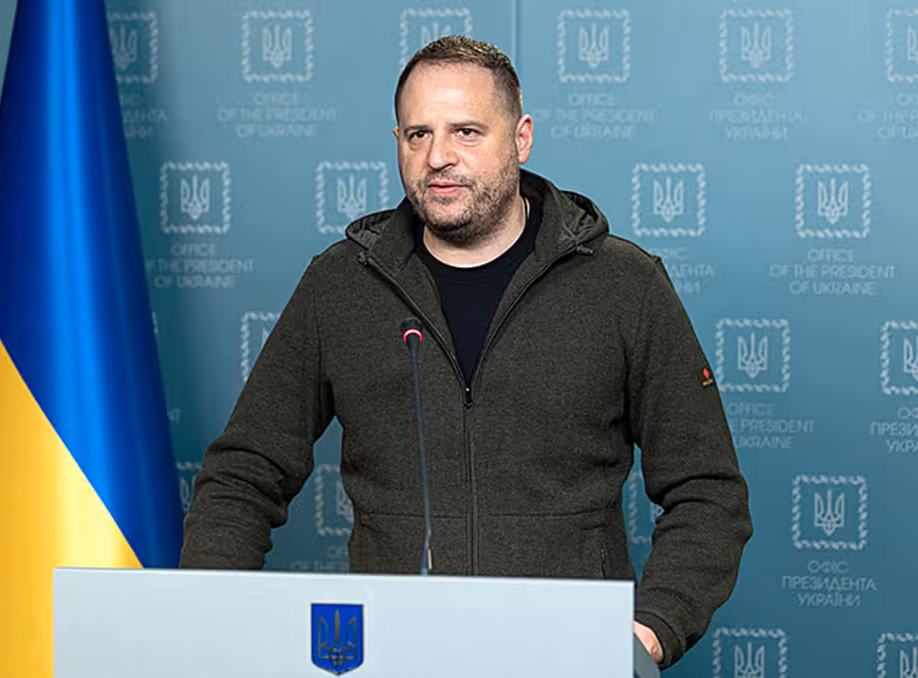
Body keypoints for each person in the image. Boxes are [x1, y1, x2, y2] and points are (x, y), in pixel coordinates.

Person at [180, 35, 752, 668]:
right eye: (418, 135)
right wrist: (208, 622)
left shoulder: (624, 284)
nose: (438, 157)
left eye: (467, 132)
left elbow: (708, 491)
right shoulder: (339, 286)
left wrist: (650, 631)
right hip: (390, 658)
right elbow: (244, 473)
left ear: (521, 139)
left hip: (571, 660)